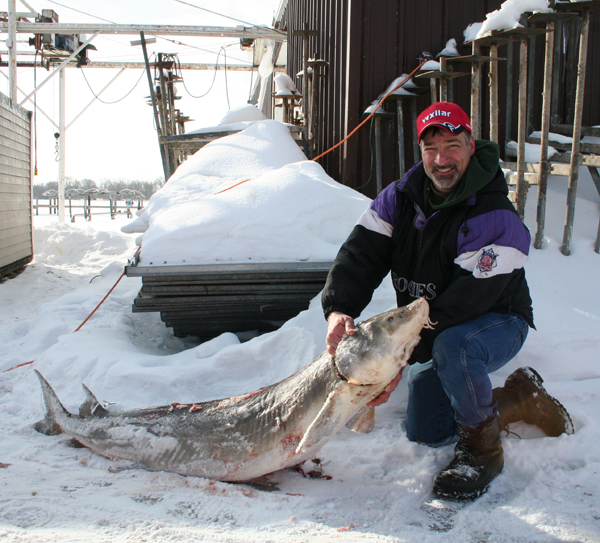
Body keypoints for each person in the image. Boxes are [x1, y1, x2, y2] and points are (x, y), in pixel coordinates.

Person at [322, 102, 573, 500]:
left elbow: (464, 305)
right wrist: (340, 308)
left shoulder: (494, 216)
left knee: (455, 347)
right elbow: (361, 255)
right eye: (431, 149)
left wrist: (400, 357)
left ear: (471, 145)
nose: (441, 160)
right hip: (433, 328)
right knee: (428, 430)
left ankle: (483, 452)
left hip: (496, 321)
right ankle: (519, 397)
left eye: (452, 146)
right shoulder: (399, 198)